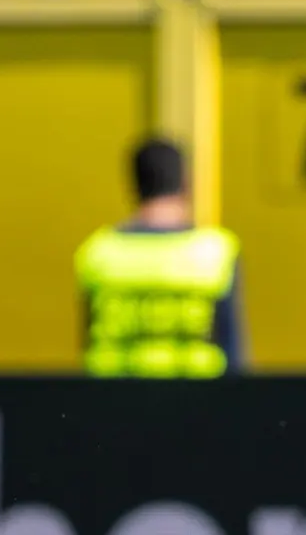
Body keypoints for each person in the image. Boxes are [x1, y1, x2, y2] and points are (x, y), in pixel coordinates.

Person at [75, 137, 245, 378]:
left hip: (115, 404)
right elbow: (232, 350)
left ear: (134, 184)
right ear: (186, 183)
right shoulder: (215, 252)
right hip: (198, 404)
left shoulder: (99, 253)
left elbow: (90, 344)